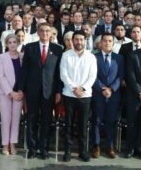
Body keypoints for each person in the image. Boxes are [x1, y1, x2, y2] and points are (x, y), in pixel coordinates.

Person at [21, 23, 63, 159]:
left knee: (46, 120)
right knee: (31, 119)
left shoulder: (58, 49)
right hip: (32, 90)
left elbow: (59, 72)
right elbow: (24, 70)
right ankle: (32, 149)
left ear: (51, 33)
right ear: (38, 33)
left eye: (47, 31)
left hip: (49, 91)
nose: (45, 33)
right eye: (42, 31)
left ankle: (44, 148)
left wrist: (58, 91)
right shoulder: (29, 47)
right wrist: (22, 89)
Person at [59, 30, 97, 162]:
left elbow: (92, 76)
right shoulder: (65, 55)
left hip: (85, 96)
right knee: (68, 124)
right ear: (73, 41)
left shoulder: (91, 57)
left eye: (81, 39)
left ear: (85, 41)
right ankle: (67, 151)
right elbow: (63, 75)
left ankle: (82, 151)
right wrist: (74, 88)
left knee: (83, 125)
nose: (79, 42)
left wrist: (82, 88)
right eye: (76, 39)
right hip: (69, 94)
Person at [92, 32, 123, 159]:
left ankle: (110, 147)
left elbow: (120, 76)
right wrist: (102, 88)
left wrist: (111, 89)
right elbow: (92, 75)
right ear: (100, 43)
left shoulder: (119, 58)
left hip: (113, 95)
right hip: (98, 94)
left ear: (113, 43)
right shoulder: (94, 57)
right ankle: (96, 146)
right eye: (105, 40)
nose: (107, 43)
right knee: (97, 121)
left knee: (111, 121)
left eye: (110, 41)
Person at [0, 34, 23, 156]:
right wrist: (11, 92)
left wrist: (21, 91)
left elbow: (25, 75)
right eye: (10, 42)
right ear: (6, 44)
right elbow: (0, 76)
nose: (12, 44)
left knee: (16, 119)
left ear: (18, 43)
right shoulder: (2, 57)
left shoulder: (23, 56)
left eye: (14, 42)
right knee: (6, 119)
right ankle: (5, 144)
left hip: (19, 93)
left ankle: (13, 143)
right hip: (4, 92)